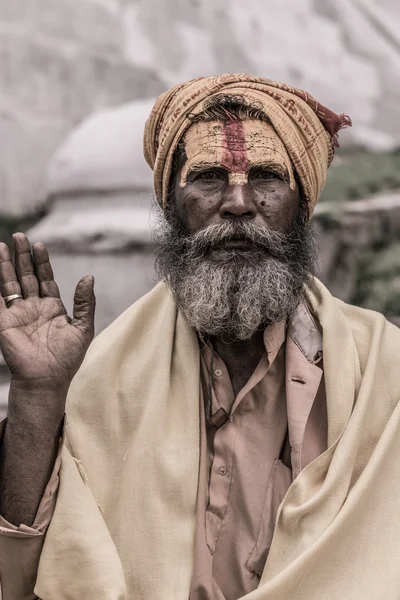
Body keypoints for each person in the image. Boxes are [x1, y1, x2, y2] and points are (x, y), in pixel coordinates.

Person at [0, 74, 399, 600]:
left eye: (266, 177)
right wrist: (38, 395)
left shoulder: (383, 371)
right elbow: (24, 567)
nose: (238, 202)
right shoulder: (104, 375)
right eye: (209, 177)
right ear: (172, 207)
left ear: (302, 207)